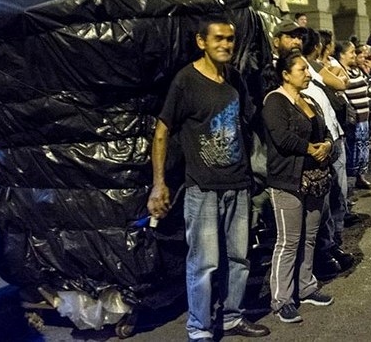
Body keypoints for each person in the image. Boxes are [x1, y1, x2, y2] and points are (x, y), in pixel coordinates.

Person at [148, 19, 270, 341]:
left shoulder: (234, 79)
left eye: (230, 39)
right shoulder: (186, 82)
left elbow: (245, 126)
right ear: (201, 41)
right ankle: (199, 329)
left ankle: (231, 318)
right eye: (219, 39)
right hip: (202, 189)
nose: (226, 45)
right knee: (204, 264)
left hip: (238, 186)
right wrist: (159, 184)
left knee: (239, 259)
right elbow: (162, 132)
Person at [262, 51, 335, 323]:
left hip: (314, 180)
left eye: (307, 69)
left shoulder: (308, 100)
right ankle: (282, 299)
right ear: (285, 74)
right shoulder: (275, 101)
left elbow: (324, 129)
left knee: (310, 236)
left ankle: (306, 287)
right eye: (302, 69)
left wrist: (326, 145)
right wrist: (309, 149)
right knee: (288, 241)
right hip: (287, 182)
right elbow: (281, 137)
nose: (307, 73)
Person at [299, 29, 354, 279]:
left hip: (333, 139)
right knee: (326, 205)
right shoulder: (302, 73)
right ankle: (325, 253)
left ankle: (333, 246)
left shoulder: (312, 70)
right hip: (322, 147)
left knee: (337, 197)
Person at [336, 41, 371, 190]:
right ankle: (349, 185)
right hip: (354, 119)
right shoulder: (340, 72)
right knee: (354, 149)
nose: (355, 55)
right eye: (351, 53)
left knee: (363, 147)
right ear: (342, 55)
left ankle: (360, 177)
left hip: (364, 117)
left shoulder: (356, 70)